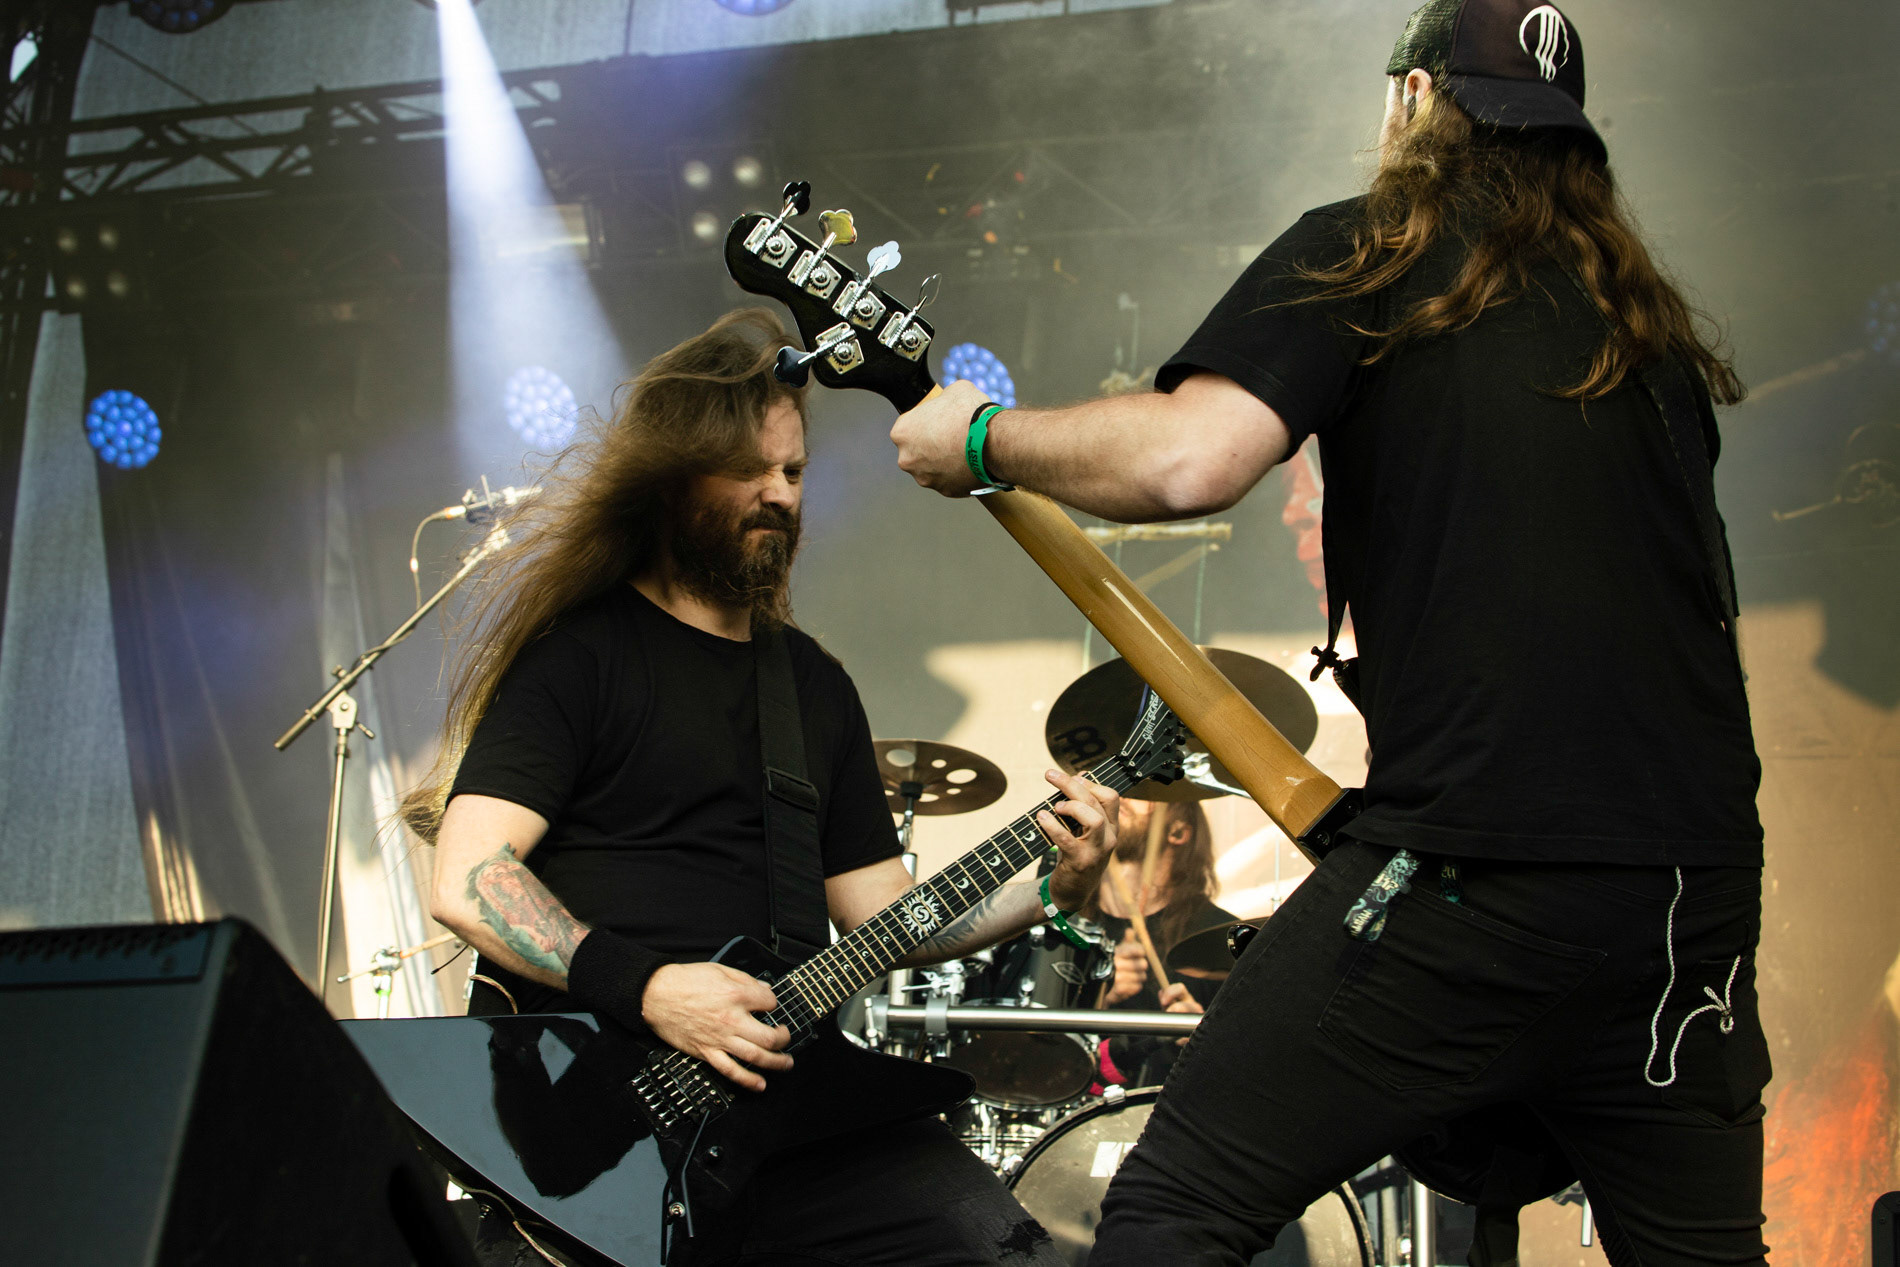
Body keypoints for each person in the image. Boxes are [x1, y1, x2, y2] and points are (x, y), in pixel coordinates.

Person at [887, 1, 1769, 1263]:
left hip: (1475, 878)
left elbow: (1193, 459)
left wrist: (978, 438)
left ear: (1412, 104)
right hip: (1690, 905)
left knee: (1171, 1210)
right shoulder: (1649, 338)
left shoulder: (1370, 252)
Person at [406, 309, 1118, 1267]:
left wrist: (1051, 888)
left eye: (793, 473)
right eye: (751, 470)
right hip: (599, 1119)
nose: (779, 495)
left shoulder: (811, 687)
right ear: (671, 478)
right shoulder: (580, 658)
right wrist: (652, 989)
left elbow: (888, 915)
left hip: (791, 1117)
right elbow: (469, 876)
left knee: (997, 1245)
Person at [1085, 797, 1235, 1088]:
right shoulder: (1061, 926)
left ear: (1178, 832)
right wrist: (1099, 992)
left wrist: (1206, 1037)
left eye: (1143, 793)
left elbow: (1248, 1061)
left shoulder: (1220, 936)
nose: (1120, 798)